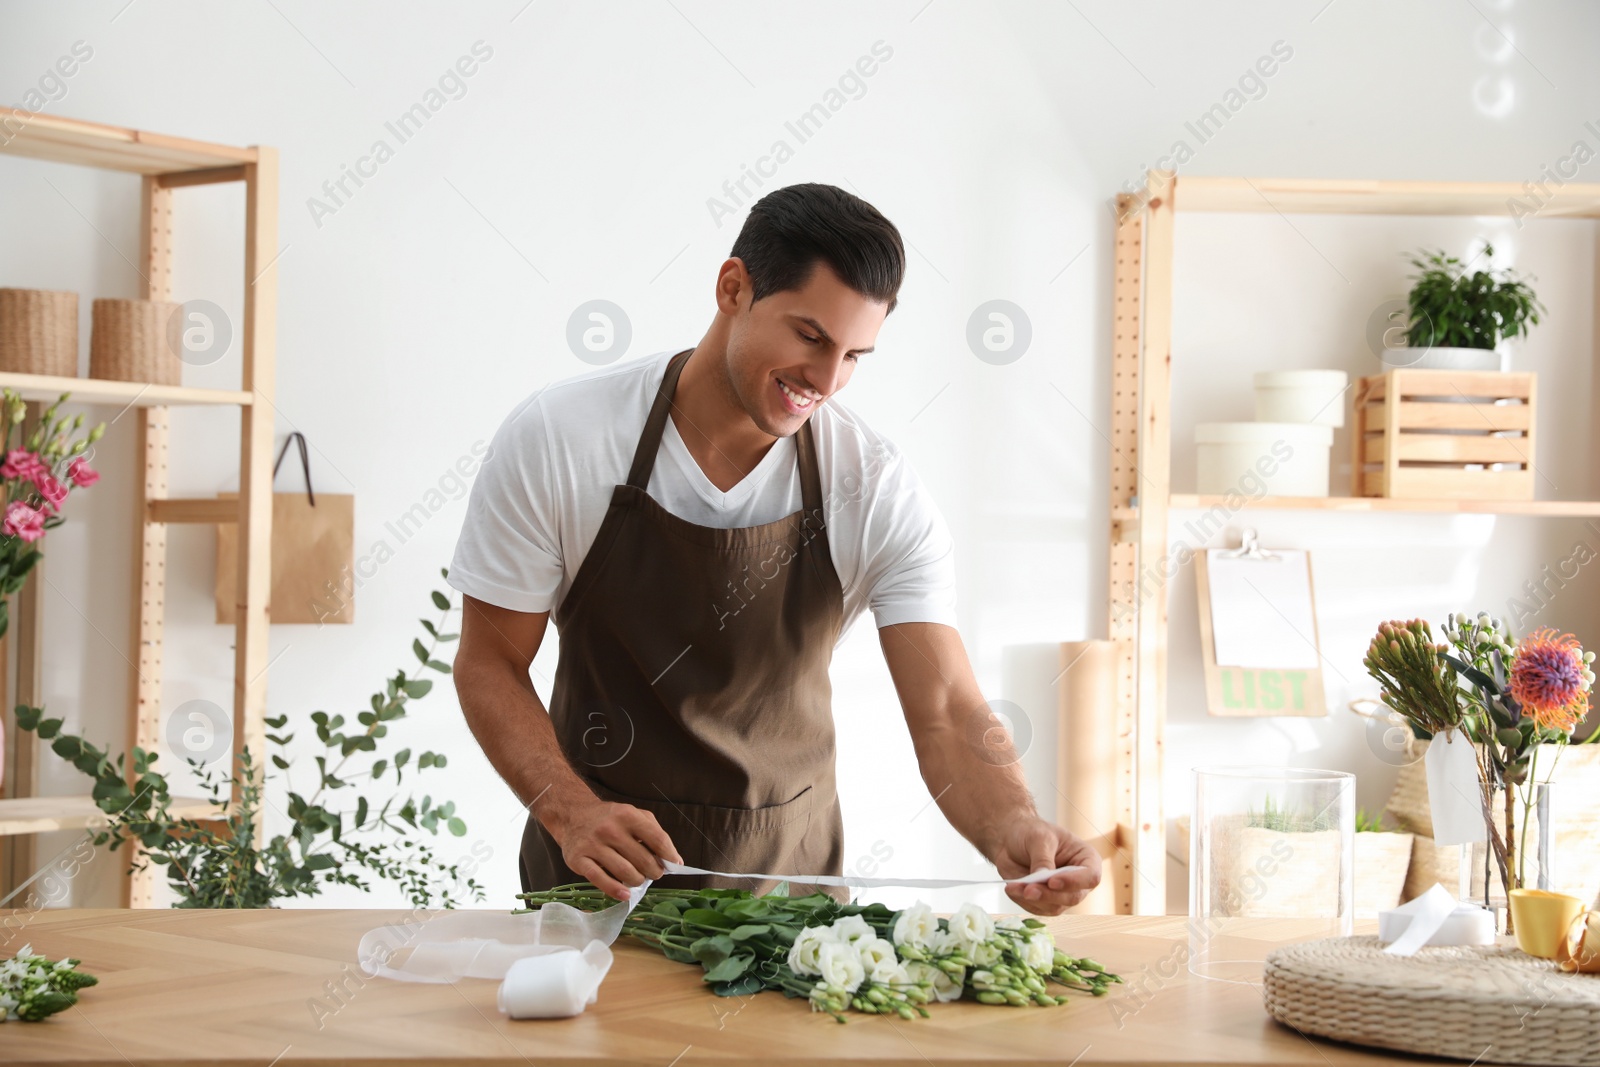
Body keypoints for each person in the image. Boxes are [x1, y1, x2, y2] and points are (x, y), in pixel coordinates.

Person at [448, 182, 1101, 915]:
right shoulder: (560, 440)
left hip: (788, 910)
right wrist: (569, 811)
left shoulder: (874, 488)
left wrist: (1014, 821)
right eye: (811, 337)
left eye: (855, 355)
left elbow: (947, 706)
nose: (825, 381)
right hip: (596, 892)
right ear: (734, 287)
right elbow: (490, 662)